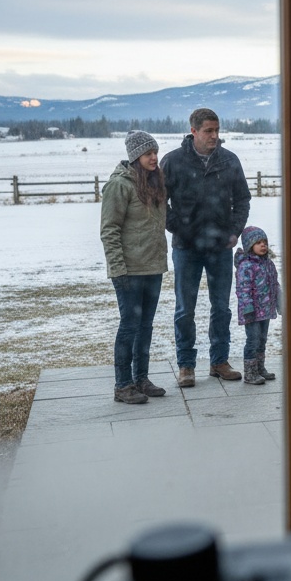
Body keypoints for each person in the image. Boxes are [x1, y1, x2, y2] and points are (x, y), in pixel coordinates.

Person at [161, 108, 251, 388]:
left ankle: (219, 361)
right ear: (194, 131)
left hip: (220, 248)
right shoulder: (173, 162)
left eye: (217, 130)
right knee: (185, 309)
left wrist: (234, 232)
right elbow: (160, 203)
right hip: (186, 247)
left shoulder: (229, 161)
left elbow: (243, 200)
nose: (214, 136)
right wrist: (181, 229)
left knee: (221, 307)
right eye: (208, 131)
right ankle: (186, 365)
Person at [99, 130, 169, 405]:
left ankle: (141, 378)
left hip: (153, 266)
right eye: (148, 153)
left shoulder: (155, 182)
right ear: (134, 156)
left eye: (155, 152)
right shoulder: (120, 185)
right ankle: (123, 384)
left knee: (146, 326)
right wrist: (118, 269)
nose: (154, 157)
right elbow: (109, 230)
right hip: (129, 270)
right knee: (129, 326)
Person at [234, 225, 282, 385]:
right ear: (249, 246)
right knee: (253, 340)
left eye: (265, 242)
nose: (263, 245)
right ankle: (250, 372)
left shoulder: (268, 264)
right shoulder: (246, 266)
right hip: (252, 312)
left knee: (262, 339)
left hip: (266, 310)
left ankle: (260, 368)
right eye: (258, 242)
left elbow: (275, 285)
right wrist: (247, 309)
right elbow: (243, 290)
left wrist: (280, 303)